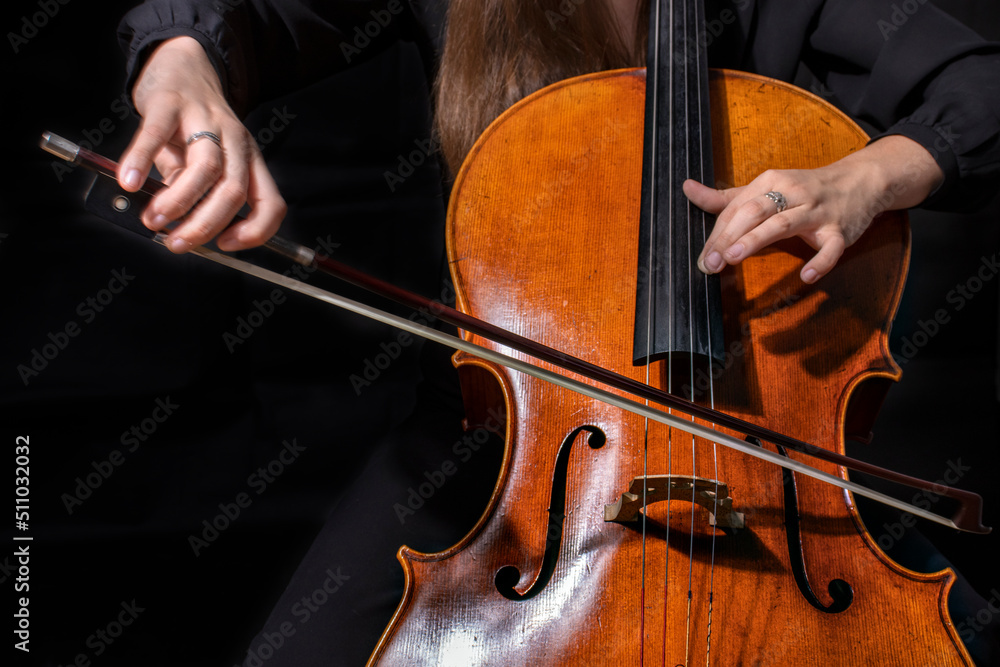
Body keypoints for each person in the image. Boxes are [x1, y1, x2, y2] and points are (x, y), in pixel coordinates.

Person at [114, 1, 1000, 665]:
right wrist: (181, 63)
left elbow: (982, 83)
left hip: (764, 445)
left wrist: (873, 175)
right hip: (512, 436)